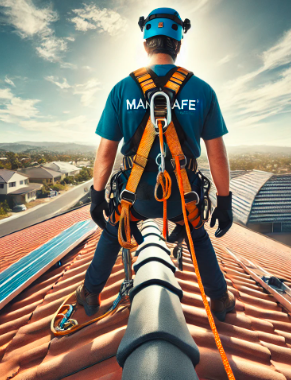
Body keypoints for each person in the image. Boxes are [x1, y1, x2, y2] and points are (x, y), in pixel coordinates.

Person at [78, 8, 236, 322]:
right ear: (178, 43)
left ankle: (90, 294)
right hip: (181, 195)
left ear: (145, 42)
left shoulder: (123, 89)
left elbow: (106, 153)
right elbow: (216, 154)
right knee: (197, 235)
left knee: (113, 231)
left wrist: (97, 198)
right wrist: (225, 200)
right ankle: (218, 299)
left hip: (134, 196)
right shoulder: (202, 90)